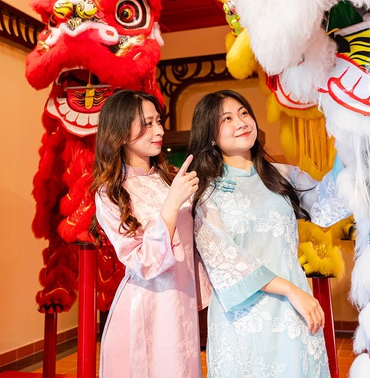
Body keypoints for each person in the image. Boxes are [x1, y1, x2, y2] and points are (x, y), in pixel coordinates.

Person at [189, 89, 348, 378]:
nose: (241, 122)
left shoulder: (282, 175)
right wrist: (291, 290)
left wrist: (347, 147)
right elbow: (225, 262)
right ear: (210, 134)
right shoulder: (207, 193)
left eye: (244, 113)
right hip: (244, 319)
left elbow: (328, 205)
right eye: (227, 119)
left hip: (293, 313)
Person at [91, 89, 203, 378]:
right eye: (147, 123)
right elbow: (142, 261)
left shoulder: (170, 176)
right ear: (121, 131)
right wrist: (172, 204)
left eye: (158, 121)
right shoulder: (111, 192)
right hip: (144, 309)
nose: (160, 131)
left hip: (182, 305)